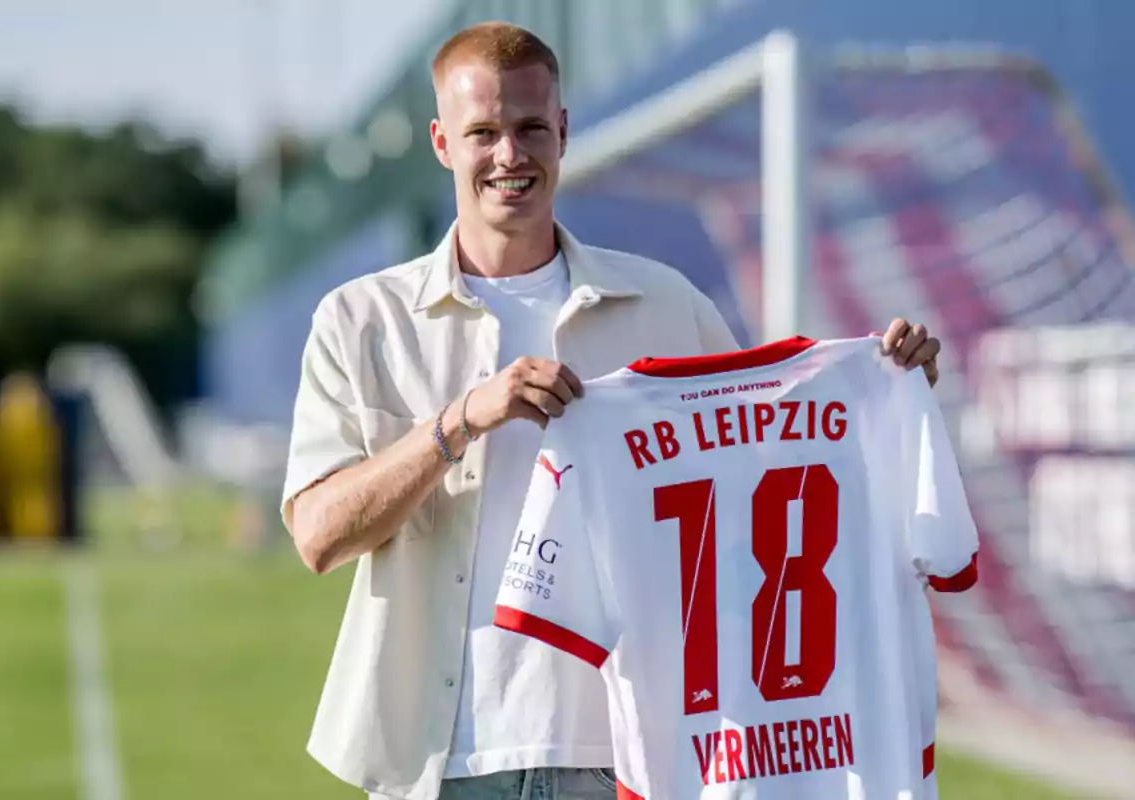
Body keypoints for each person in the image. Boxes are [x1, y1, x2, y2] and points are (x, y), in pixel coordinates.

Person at [282, 21, 942, 800]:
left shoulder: (665, 303)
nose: (509, 155)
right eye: (482, 133)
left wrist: (885, 391)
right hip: (439, 761)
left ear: (562, 130)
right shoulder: (361, 321)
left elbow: (767, 483)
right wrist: (460, 422)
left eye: (531, 128)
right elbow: (318, 536)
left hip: (630, 755)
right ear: (440, 142)